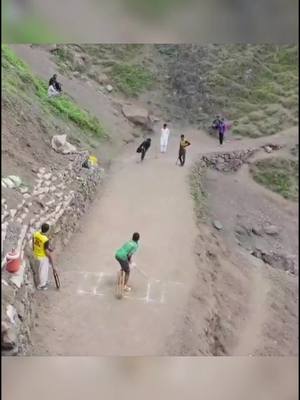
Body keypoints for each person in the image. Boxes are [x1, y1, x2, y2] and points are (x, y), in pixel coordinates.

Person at [32, 223, 54, 290]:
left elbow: (33, 241)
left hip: (36, 254)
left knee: (40, 270)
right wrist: (50, 258)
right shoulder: (45, 239)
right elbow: (46, 251)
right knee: (43, 271)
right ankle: (42, 285)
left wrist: (33, 248)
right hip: (42, 256)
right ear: (47, 230)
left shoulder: (36, 234)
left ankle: (43, 282)